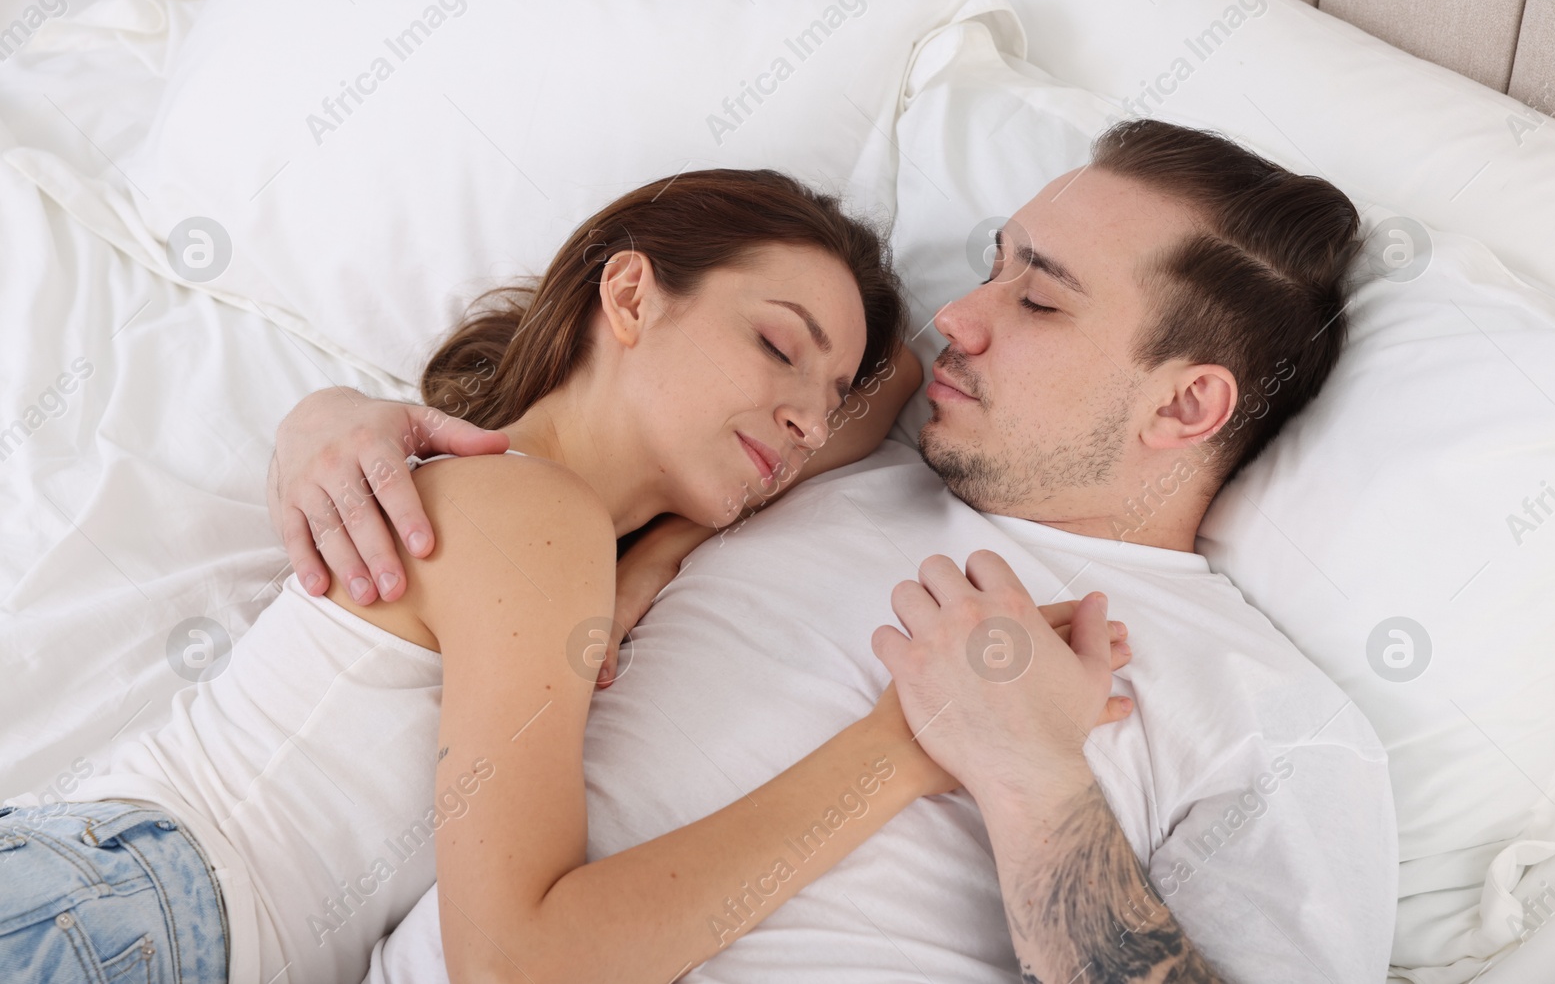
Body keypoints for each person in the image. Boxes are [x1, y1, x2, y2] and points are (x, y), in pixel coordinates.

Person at [278, 119, 1399, 984]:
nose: (959, 315)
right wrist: (333, 420)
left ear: (1188, 403)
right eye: (994, 265)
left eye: (1039, 299)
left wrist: (1036, 781)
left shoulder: (1271, 717)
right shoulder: (822, 461)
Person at [0, 168, 1136, 984]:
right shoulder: (529, 515)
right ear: (630, 296)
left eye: (818, 393)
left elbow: (884, 380)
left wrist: (654, 553)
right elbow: (520, 962)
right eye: (777, 343)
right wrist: (905, 745)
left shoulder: (527, 511)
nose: (805, 413)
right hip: (124, 918)